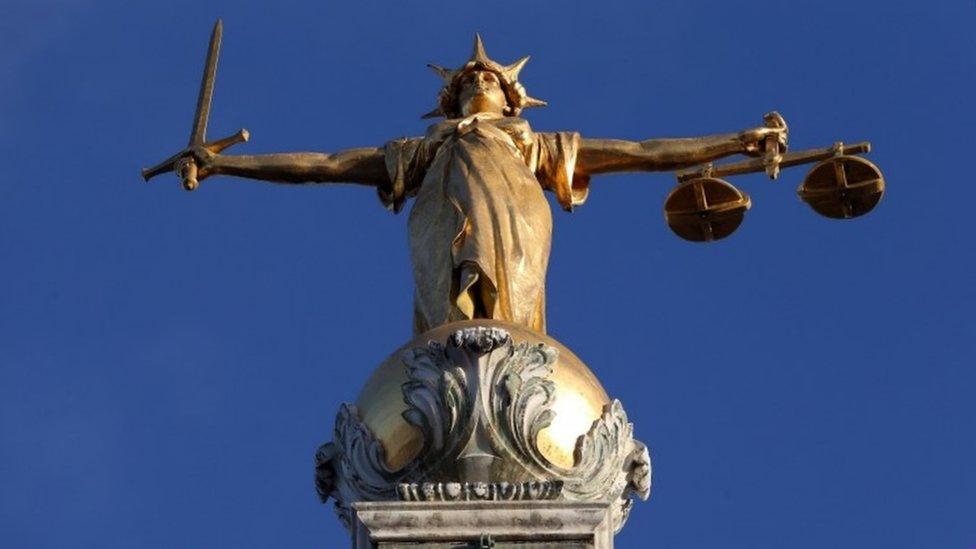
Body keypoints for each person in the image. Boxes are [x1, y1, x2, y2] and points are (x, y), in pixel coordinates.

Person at [182, 35, 786, 334]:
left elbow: (641, 151)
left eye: (488, 79)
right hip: (440, 221)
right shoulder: (424, 149)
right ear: (448, 101)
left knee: (510, 324)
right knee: (448, 321)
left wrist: (736, 141)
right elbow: (329, 164)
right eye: (467, 80)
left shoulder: (531, 144)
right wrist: (227, 164)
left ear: (511, 96)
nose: (477, 81)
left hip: (517, 216)